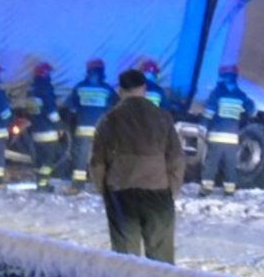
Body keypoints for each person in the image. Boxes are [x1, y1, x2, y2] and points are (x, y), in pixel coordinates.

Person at [89, 68, 185, 264]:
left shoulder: (109, 120)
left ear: (120, 91)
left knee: (126, 259)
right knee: (161, 259)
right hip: (158, 193)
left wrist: (105, 191)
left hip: (122, 194)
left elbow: (98, 163)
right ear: (144, 88)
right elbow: (176, 158)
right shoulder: (162, 117)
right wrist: (171, 190)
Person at [200, 64, 255, 197]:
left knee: (212, 164)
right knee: (230, 165)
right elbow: (251, 110)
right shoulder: (240, 95)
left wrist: (203, 126)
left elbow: (208, 112)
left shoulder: (217, 93)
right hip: (232, 138)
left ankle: (206, 189)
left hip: (216, 136)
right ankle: (229, 190)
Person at [64, 58, 118, 193]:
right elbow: (116, 106)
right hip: (102, 130)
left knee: (80, 157)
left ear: (88, 71)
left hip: (83, 129)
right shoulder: (107, 89)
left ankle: (77, 185)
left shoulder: (80, 87)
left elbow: (70, 107)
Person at [26, 61, 63, 192]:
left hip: (36, 131)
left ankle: (41, 183)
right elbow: (51, 111)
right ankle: (43, 184)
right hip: (48, 132)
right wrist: (59, 125)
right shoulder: (46, 90)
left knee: (41, 161)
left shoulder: (31, 91)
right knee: (48, 161)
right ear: (45, 74)